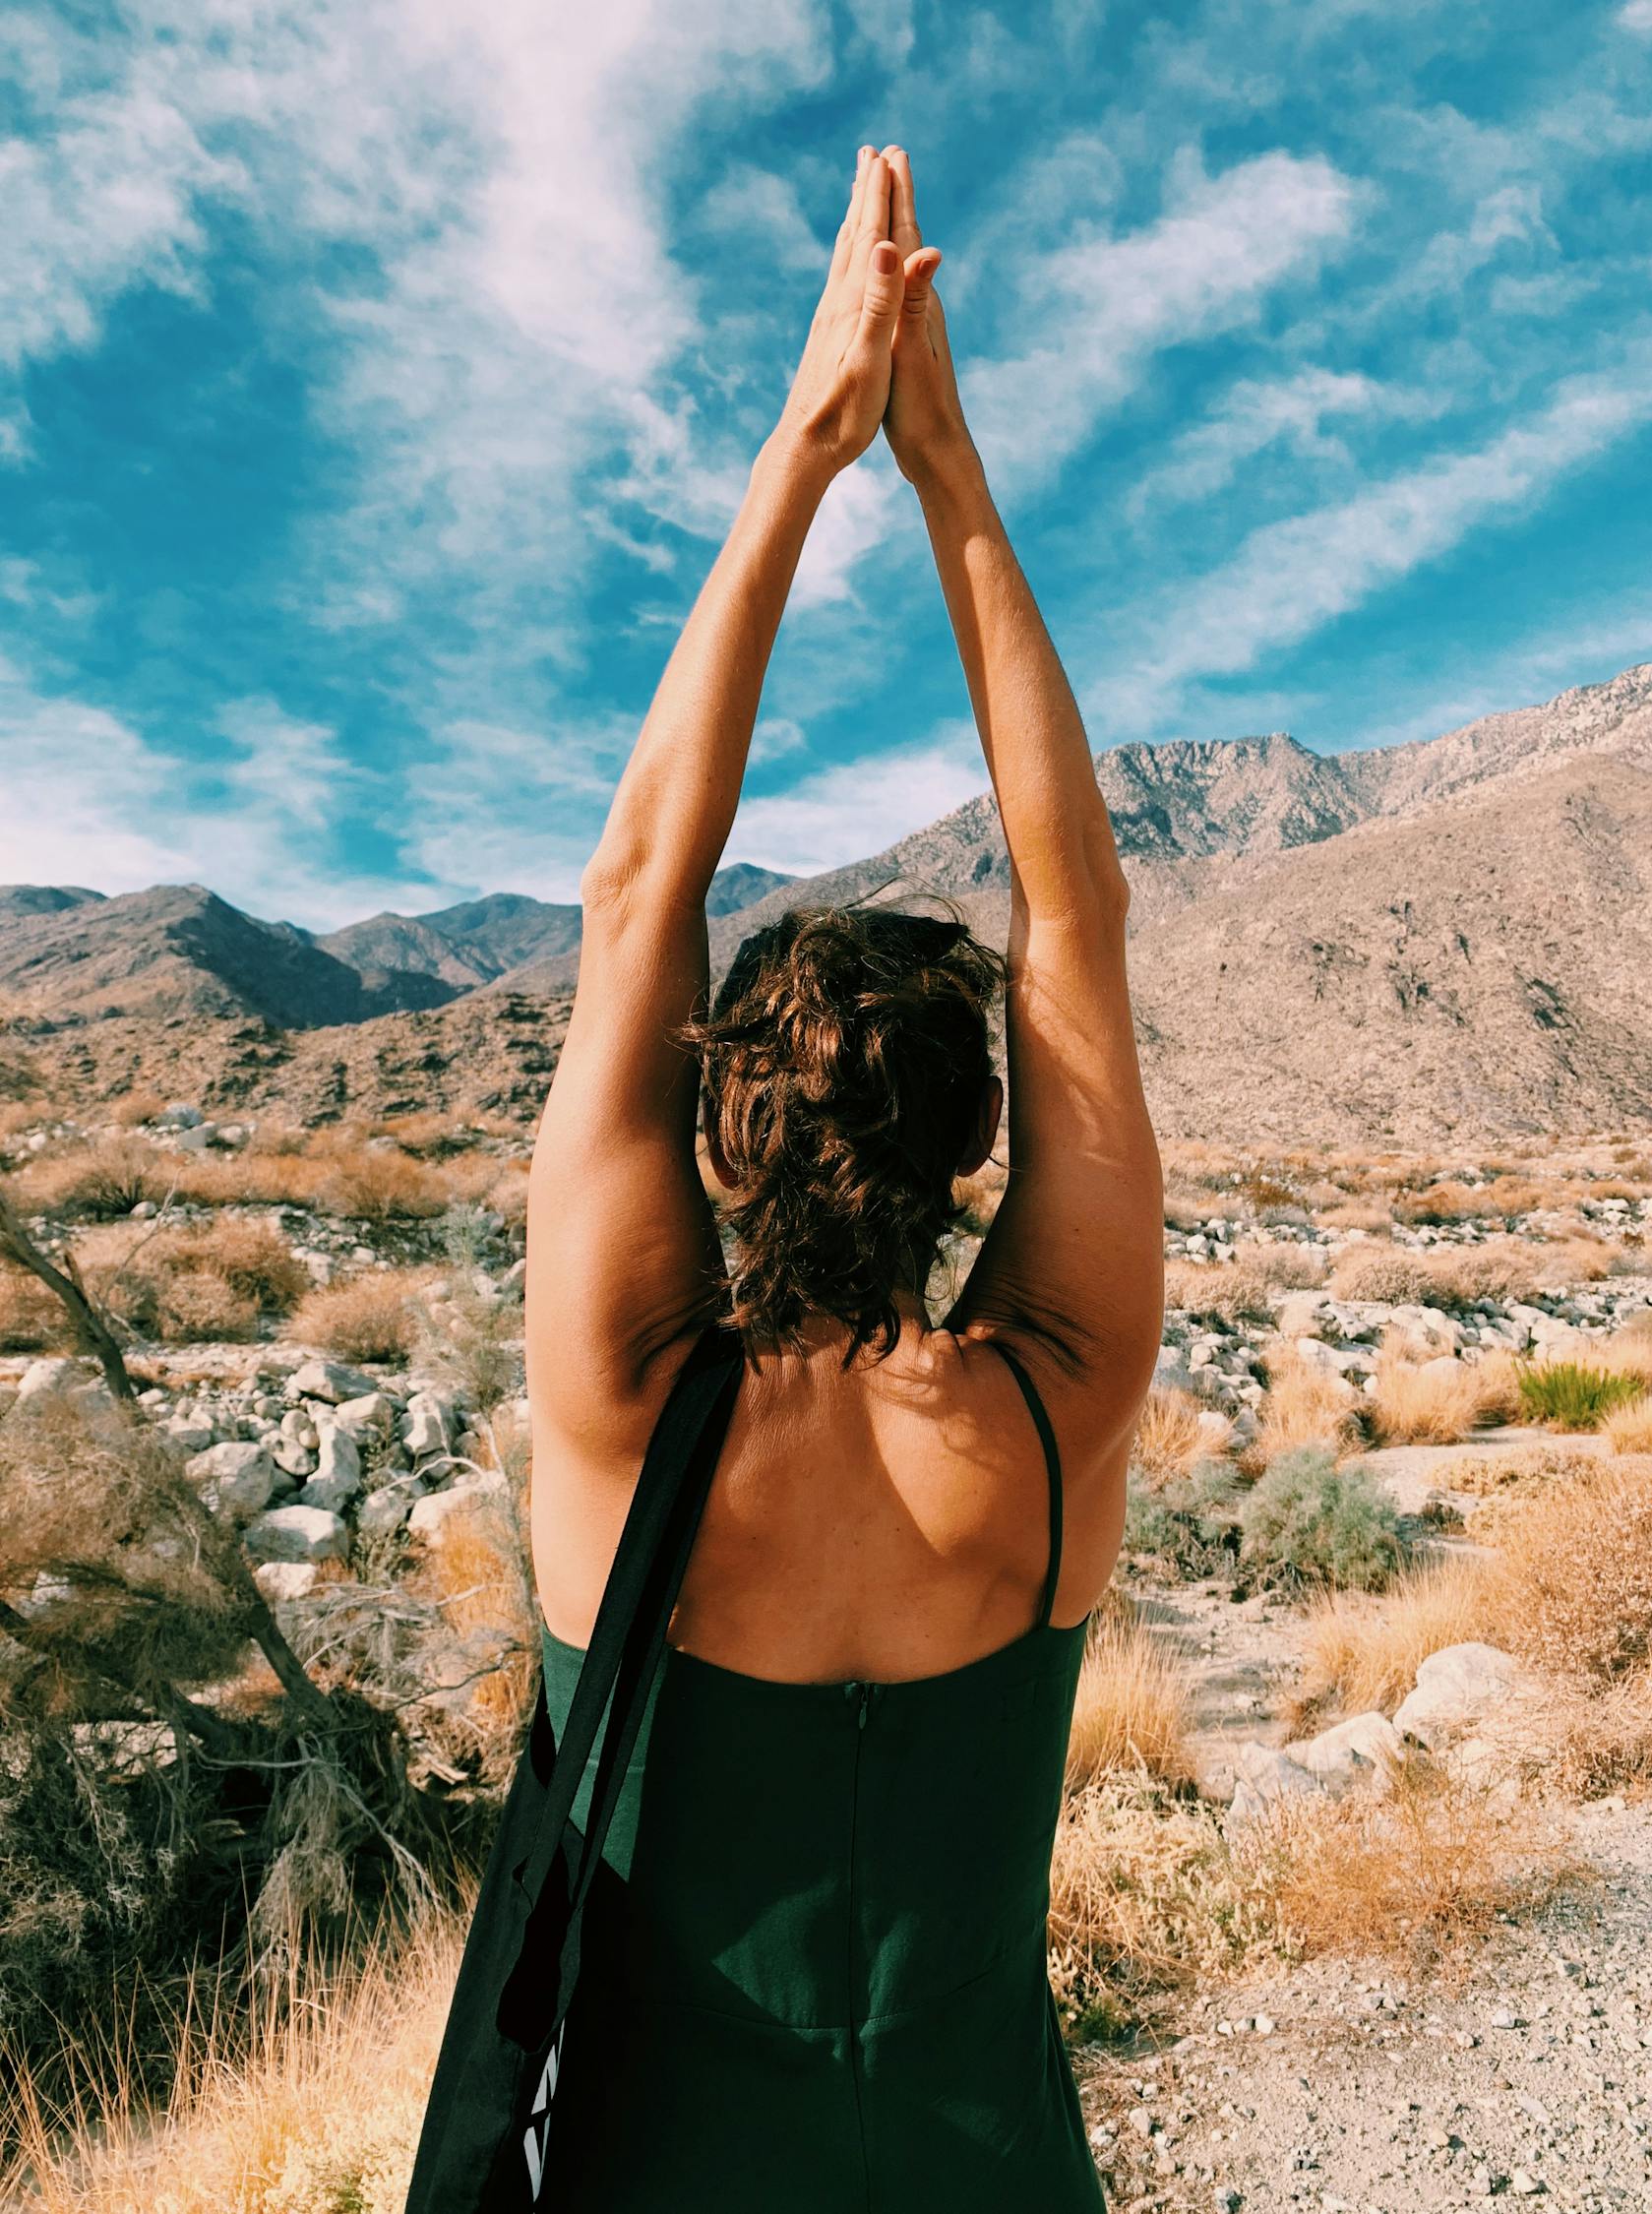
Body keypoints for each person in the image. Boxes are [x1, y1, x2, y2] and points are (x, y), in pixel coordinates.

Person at [522, 142, 1164, 2213]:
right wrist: (947, 477)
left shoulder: (629, 1416)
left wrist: (808, 449)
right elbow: (1072, 928)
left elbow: (638, 895)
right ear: (979, 1135)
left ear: (719, 1123)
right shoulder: (1055, 1406)